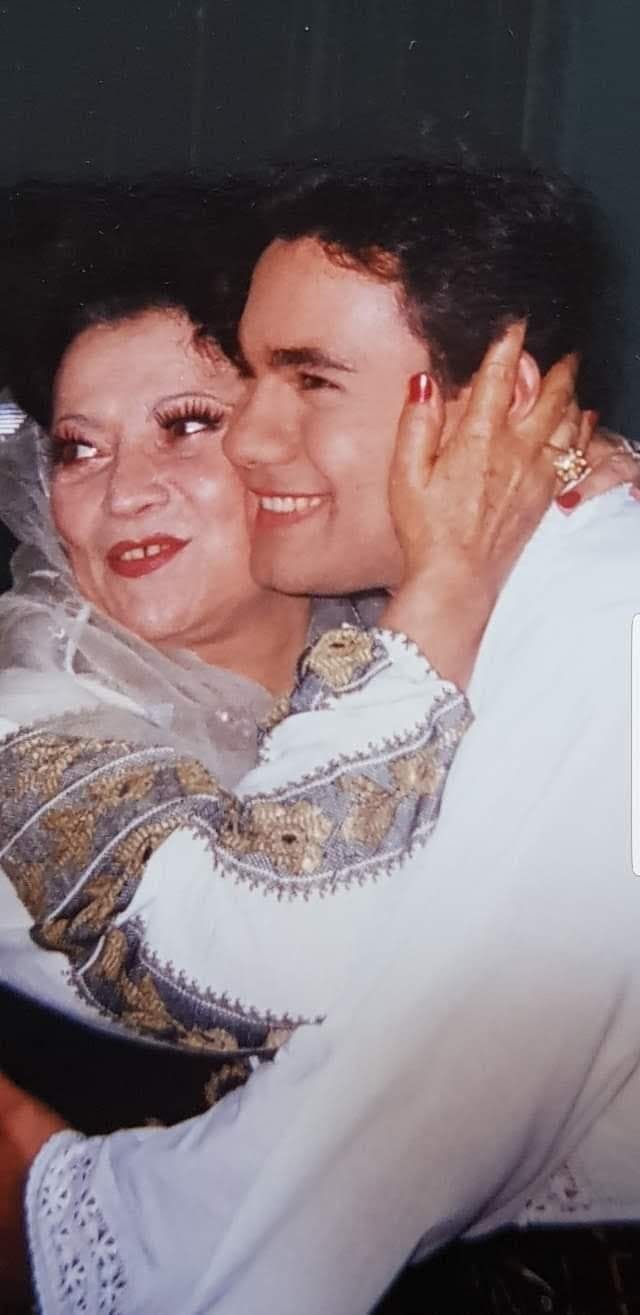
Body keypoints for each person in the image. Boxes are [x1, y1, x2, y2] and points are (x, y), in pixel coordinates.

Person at [2, 158, 640, 1314]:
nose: (123, 490)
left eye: (192, 421)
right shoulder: (31, 712)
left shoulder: (508, 624)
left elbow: (431, 1094)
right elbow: (245, 957)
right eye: (77, 447)